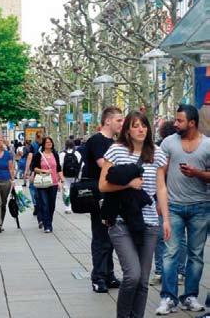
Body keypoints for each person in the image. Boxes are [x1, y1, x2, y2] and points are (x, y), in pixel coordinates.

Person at [99, 110, 170, 318]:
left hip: (148, 221)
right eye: (135, 126)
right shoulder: (116, 150)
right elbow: (103, 185)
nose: (140, 129)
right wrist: (128, 184)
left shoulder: (156, 152)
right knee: (133, 275)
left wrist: (165, 219)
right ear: (128, 131)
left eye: (144, 125)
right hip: (121, 220)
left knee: (143, 280)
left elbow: (161, 188)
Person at [156, 104, 210, 315]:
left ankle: (190, 296)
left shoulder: (207, 145)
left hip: (201, 207)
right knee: (170, 253)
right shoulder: (169, 143)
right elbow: (160, 174)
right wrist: (160, 203)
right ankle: (168, 298)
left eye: (179, 121)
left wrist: (197, 173)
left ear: (192, 123)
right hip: (174, 206)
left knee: (196, 254)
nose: (175, 123)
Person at [84, 107, 124, 293]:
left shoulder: (114, 142)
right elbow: (104, 166)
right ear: (107, 121)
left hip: (112, 196)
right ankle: (98, 276)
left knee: (110, 236)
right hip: (98, 196)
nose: (121, 124)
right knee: (101, 237)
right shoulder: (97, 140)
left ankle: (109, 274)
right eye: (119, 120)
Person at [150, 120, 187, 286]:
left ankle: (160, 271)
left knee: (160, 236)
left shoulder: (158, 148)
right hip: (180, 196)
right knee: (180, 237)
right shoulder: (184, 147)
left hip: (165, 197)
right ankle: (179, 271)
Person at [32, 136, 64, 233]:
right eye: (47, 142)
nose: (49, 144)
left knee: (52, 205)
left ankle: (48, 220)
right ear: (44, 144)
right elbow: (34, 168)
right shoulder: (39, 155)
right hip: (42, 183)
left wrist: (61, 179)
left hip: (53, 183)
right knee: (44, 204)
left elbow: (58, 168)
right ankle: (47, 225)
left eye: (50, 142)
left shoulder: (55, 154)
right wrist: (44, 171)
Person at [24, 131, 43, 225]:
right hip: (45, 170)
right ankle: (42, 204)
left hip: (34, 170)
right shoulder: (47, 144)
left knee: (32, 187)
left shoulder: (33, 145)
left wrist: (26, 171)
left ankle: (36, 204)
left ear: (36, 137)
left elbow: (29, 158)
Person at [59, 139, 82, 213]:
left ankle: (67, 208)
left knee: (66, 190)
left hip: (65, 176)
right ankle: (75, 206)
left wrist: (60, 176)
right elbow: (81, 165)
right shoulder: (77, 153)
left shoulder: (62, 154)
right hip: (75, 176)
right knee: (75, 191)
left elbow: (60, 165)